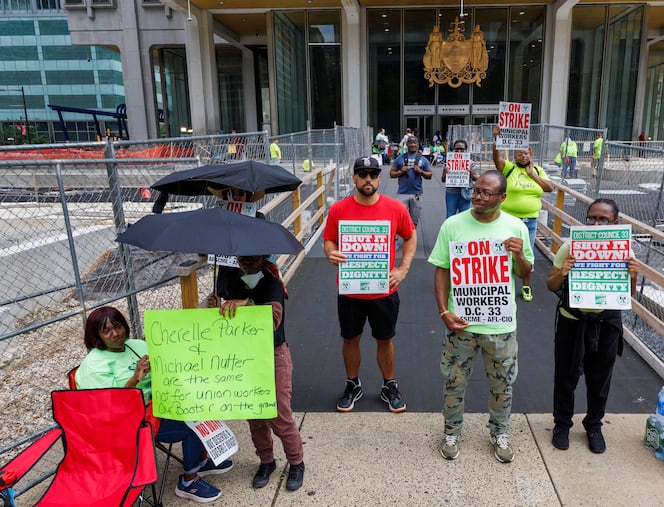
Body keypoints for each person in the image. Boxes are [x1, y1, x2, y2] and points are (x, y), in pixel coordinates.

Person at [75, 307, 233, 504]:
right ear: (96, 336)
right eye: (106, 331)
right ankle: (188, 482)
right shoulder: (93, 366)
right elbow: (105, 408)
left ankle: (199, 461)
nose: (115, 334)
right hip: (126, 424)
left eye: (117, 326)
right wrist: (134, 379)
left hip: (156, 406)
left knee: (201, 407)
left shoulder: (136, 345)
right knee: (191, 428)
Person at [428, 170, 533, 463]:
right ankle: (451, 432)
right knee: (454, 381)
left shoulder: (516, 228)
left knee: (502, 384)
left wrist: (520, 256)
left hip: (500, 325)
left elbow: (526, 274)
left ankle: (500, 432)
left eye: (486, 193)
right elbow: (441, 270)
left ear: (502, 197)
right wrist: (444, 312)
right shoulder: (453, 225)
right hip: (462, 323)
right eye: (476, 190)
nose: (478, 196)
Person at [323, 156, 417, 413]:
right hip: (351, 289)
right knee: (350, 338)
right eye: (362, 174)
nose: (368, 179)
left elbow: (410, 236)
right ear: (353, 177)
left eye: (373, 174)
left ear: (379, 177)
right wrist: (330, 252)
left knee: (385, 339)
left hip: (384, 289)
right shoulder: (339, 209)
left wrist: (403, 268)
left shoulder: (395, 208)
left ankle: (389, 384)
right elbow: (329, 240)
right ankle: (352, 383)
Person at [545, 198, 639, 454]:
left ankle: (594, 425)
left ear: (615, 223)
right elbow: (550, 285)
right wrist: (562, 272)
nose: (596, 223)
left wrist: (633, 276)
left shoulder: (625, 252)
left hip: (606, 323)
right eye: (592, 218)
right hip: (572, 321)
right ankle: (562, 423)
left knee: (600, 378)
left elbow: (626, 295)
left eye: (603, 219)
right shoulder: (570, 247)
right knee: (565, 376)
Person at [217, 255, 305, 491]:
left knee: (279, 413)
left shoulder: (272, 282)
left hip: (273, 355)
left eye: (253, 255)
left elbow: (273, 319)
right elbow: (222, 318)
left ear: (262, 256)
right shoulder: (230, 281)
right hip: (246, 355)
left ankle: (296, 461)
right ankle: (266, 461)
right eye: (243, 256)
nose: (247, 260)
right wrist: (214, 308)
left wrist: (248, 304)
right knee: (255, 415)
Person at [492, 126, 554, 302]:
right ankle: (500, 283)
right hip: (508, 219)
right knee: (503, 250)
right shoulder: (509, 168)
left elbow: (549, 188)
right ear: (515, 156)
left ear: (531, 154)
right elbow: (496, 160)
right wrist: (496, 141)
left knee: (527, 253)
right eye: (520, 154)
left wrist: (532, 175)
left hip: (529, 220)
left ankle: (526, 286)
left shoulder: (539, 171)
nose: (523, 156)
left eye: (526, 153)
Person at [390, 135, 432, 226]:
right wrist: (401, 172)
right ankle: (396, 239)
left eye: (415, 142)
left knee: (414, 221)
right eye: (410, 142)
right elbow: (391, 174)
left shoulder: (423, 159)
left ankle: (411, 239)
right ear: (407, 144)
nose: (413, 144)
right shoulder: (400, 158)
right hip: (402, 193)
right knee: (399, 219)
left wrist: (420, 172)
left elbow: (430, 175)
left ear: (418, 145)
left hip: (416, 193)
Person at [441, 139, 477, 218]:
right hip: (451, 192)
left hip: (465, 193)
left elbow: (476, 178)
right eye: (457, 149)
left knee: (464, 216)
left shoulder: (470, 162)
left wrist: (470, 173)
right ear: (453, 149)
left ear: (465, 150)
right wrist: (444, 172)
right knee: (450, 215)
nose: (459, 151)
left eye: (462, 149)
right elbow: (443, 180)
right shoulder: (448, 162)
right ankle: (449, 230)